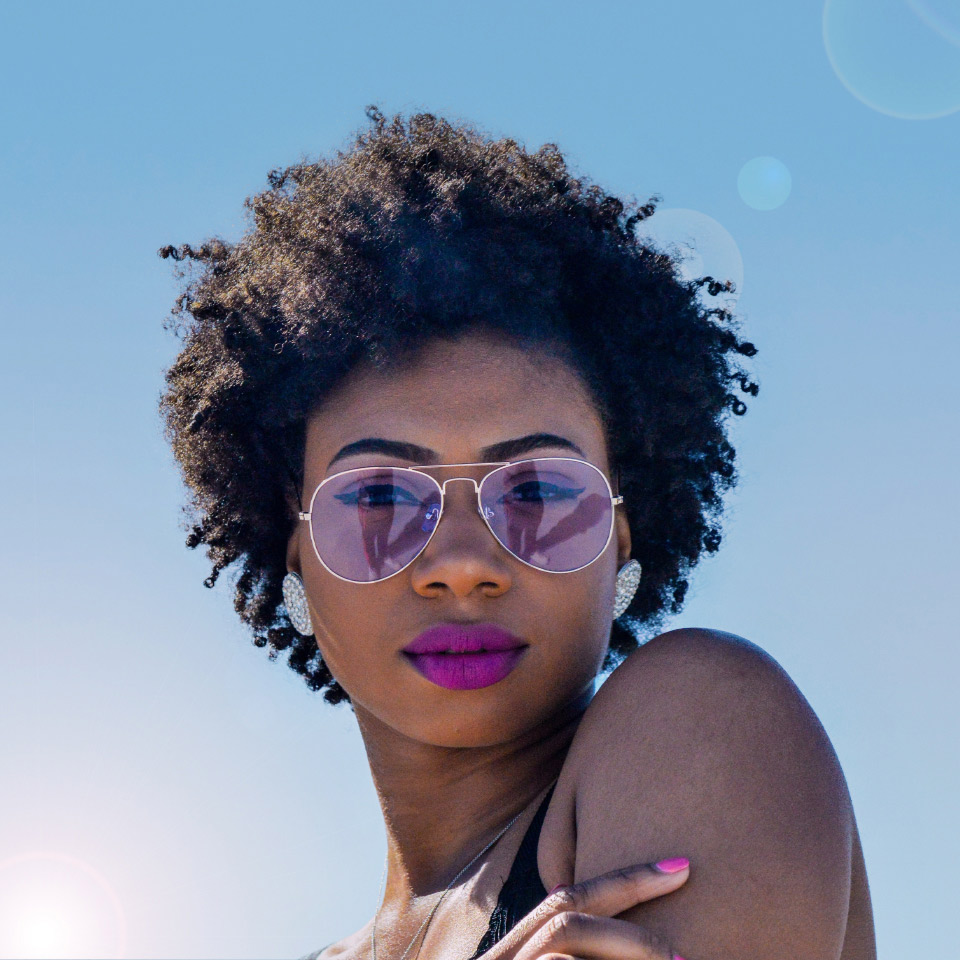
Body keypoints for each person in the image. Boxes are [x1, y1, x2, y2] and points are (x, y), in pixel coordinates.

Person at [159, 107, 876, 960]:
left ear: (621, 544)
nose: (462, 565)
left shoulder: (706, 718)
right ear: (295, 560)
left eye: (535, 489)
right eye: (381, 497)